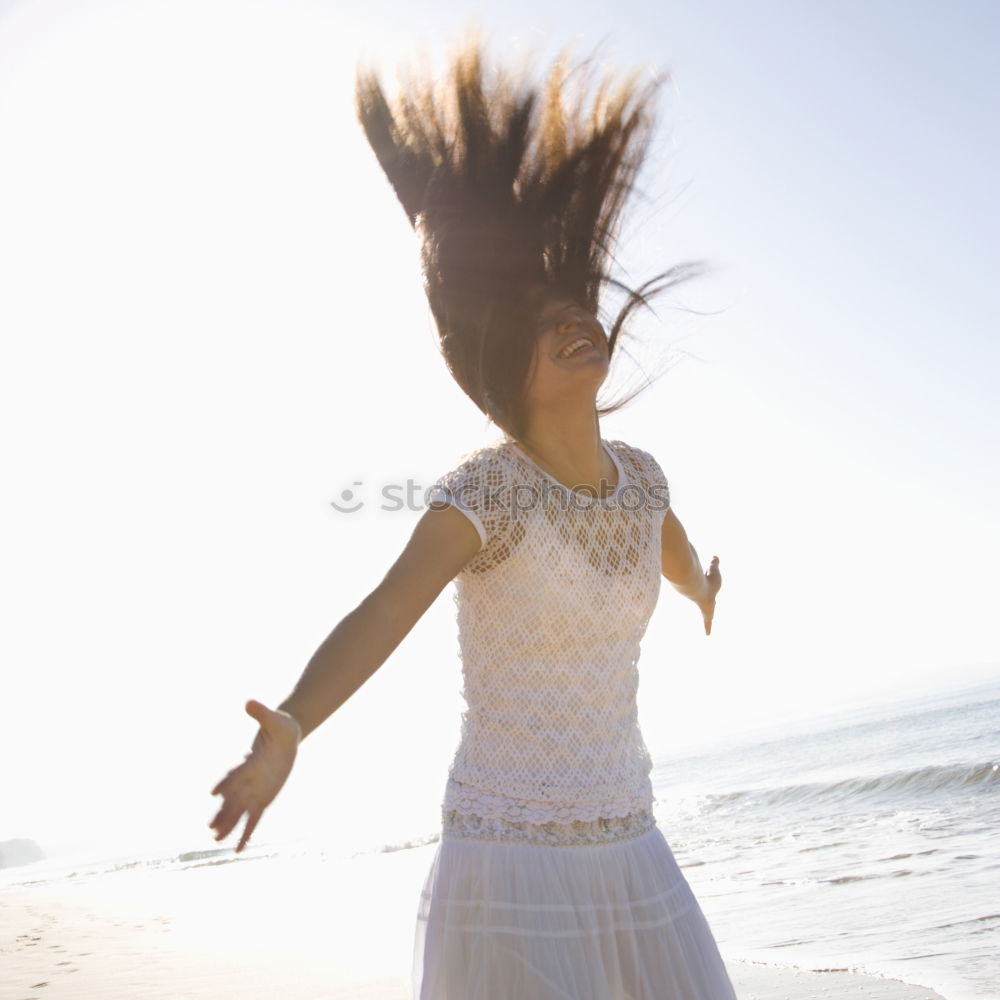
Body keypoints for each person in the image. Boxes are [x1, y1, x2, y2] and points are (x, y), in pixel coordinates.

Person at [209, 37, 733, 999]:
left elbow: (672, 555)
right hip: (510, 860)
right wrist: (290, 723)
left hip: (632, 841)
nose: (571, 317)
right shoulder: (485, 493)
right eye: (537, 319)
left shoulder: (646, 479)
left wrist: (704, 590)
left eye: (571, 299)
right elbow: (382, 610)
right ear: (501, 364)